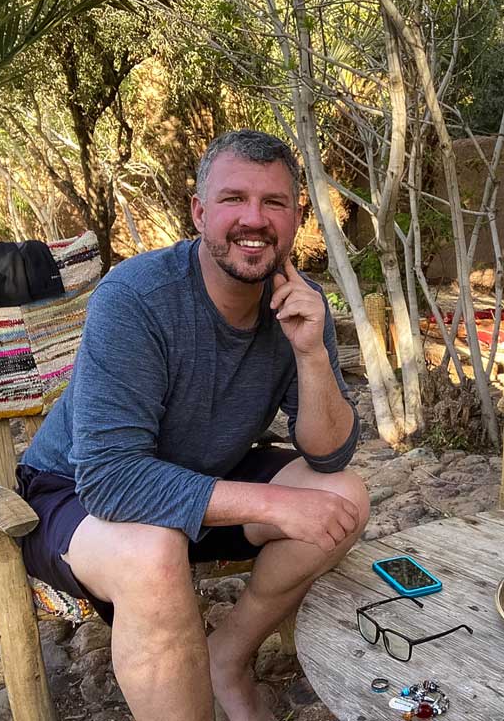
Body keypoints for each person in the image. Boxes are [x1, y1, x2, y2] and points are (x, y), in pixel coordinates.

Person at [18, 130, 370, 721]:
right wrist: (272, 505)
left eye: (274, 203)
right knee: (153, 552)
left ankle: (226, 654)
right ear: (200, 213)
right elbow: (110, 481)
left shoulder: (299, 303)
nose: (253, 219)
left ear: (296, 218)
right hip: (72, 491)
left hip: (205, 472)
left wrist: (310, 352)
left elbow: (329, 455)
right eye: (234, 199)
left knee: (345, 497)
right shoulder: (137, 297)